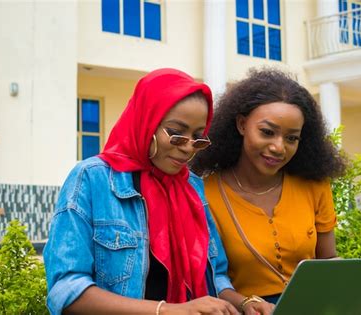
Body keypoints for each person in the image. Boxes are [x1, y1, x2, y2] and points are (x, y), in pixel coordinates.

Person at [43, 68, 273, 315]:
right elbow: (66, 290)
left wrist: (244, 303)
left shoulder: (192, 187)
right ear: (147, 120)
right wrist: (166, 310)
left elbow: (214, 276)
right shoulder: (91, 179)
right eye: (176, 134)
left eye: (198, 138)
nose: (188, 148)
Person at [191, 68, 346, 304]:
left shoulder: (314, 186)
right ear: (242, 124)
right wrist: (247, 304)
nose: (278, 147)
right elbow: (211, 279)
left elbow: (328, 259)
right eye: (267, 132)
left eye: (291, 138)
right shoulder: (205, 193)